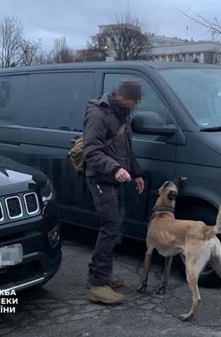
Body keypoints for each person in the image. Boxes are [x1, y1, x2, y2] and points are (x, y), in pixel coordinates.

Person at [82, 79, 145, 305]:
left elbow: (127, 148)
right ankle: (98, 284)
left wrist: (136, 173)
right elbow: (91, 150)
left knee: (115, 225)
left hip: (116, 178)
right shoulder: (98, 114)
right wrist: (115, 168)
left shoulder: (121, 114)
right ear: (121, 97)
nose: (134, 107)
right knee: (110, 227)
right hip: (100, 178)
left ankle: (102, 274)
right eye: (132, 102)